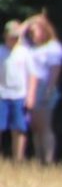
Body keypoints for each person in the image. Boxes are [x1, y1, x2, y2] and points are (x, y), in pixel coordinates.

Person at [22, 13, 62, 164]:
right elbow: (20, 37)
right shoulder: (31, 48)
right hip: (31, 89)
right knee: (35, 127)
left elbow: (54, 71)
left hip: (45, 87)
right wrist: (29, 22)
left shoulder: (53, 47)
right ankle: (39, 157)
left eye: (35, 31)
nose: (32, 34)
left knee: (44, 125)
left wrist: (49, 90)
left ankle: (48, 159)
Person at [0, 19, 34, 160]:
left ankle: (18, 160)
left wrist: (30, 95)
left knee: (19, 129)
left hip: (19, 95)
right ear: (5, 35)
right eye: (11, 35)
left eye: (16, 36)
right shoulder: (1, 51)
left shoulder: (24, 53)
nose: (14, 38)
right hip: (2, 94)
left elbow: (32, 75)